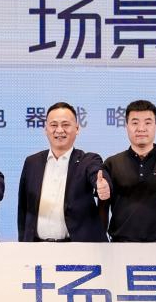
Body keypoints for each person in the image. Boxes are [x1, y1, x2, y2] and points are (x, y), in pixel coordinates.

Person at [18, 102, 109, 242]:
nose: (59, 130)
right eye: (54, 125)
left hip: (76, 247)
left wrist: (102, 186)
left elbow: (97, 174)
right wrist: (23, 244)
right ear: (46, 129)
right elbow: (23, 209)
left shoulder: (88, 160)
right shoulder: (32, 162)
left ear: (77, 129)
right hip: (37, 247)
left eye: (66, 125)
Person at [100, 99, 156, 242]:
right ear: (126, 126)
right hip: (120, 246)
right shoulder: (112, 163)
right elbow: (103, 208)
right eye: (135, 123)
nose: (141, 128)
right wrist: (100, 241)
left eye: (148, 123)